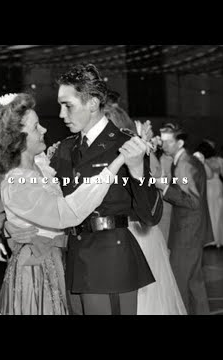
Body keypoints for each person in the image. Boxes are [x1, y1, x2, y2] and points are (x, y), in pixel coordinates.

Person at [0, 92, 142, 315]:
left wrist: (11, 224)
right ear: (17, 137)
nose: (44, 130)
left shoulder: (42, 162)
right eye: (37, 126)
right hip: (36, 270)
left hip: (61, 260)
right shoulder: (17, 180)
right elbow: (65, 212)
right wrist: (113, 167)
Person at [50, 64, 163, 315]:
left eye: (67, 105)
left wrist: (136, 172)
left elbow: (150, 216)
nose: (61, 114)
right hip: (75, 256)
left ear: (92, 103)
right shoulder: (64, 149)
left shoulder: (125, 145)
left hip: (111, 258)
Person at [105, 105, 186, 315]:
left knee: (140, 295)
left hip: (134, 230)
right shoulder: (137, 150)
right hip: (138, 231)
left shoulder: (132, 154)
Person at [154, 123, 213, 315]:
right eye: (162, 141)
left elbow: (192, 200)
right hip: (192, 228)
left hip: (187, 231)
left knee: (181, 280)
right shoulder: (183, 161)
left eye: (167, 142)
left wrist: (164, 188)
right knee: (194, 281)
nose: (163, 145)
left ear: (179, 142)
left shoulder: (185, 164)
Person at [196, 141, 223, 248]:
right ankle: (221, 239)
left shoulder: (201, 161)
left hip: (207, 186)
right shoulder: (220, 160)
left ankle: (211, 240)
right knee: (220, 211)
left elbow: (206, 175)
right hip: (218, 185)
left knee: (210, 211)